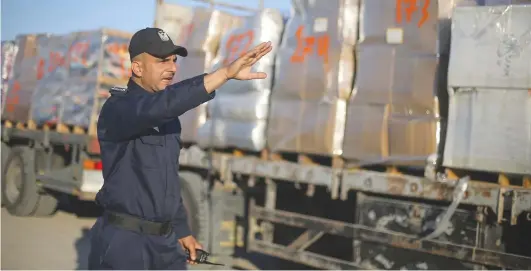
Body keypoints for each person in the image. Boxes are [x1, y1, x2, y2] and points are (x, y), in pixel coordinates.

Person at [87, 27, 272, 270]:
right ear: (137, 68)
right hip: (125, 243)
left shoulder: (168, 118)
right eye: (162, 60)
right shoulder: (118, 109)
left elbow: (167, 181)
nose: (172, 68)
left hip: (164, 244)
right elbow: (161, 106)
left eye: (174, 60)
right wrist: (225, 73)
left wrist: (182, 231)